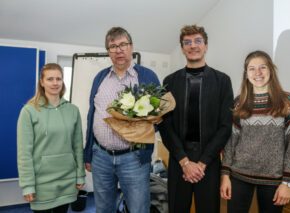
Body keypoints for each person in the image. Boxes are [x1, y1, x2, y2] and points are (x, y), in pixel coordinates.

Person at [84, 27, 160, 213]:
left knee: (138, 208)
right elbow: (92, 115)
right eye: (113, 46)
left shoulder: (147, 76)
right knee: (103, 208)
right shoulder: (100, 78)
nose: (118, 50)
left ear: (131, 47)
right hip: (101, 156)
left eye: (123, 44)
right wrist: (88, 153)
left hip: (134, 158)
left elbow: (158, 116)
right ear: (108, 51)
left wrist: (143, 129)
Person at [158, 25, 234, 213]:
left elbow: (225, 126)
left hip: (208, 161)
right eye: (187, 42)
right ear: (182, 48)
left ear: (206, 46)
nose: (193, 46)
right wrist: (184, 162)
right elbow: (165, 126)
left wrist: (201, 164)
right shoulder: (169, 81)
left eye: (198, 41)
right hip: (178, 159)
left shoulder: (222, 81)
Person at [220, 50, 290, 213]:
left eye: (263, 67)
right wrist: (225, 175)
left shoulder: (287, 101)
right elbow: (230, 142)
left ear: (271, 70)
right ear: (246, 73)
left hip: (273, 180)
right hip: (239, 176)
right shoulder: (239, 102)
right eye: (252, 68)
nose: (257, 73)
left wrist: (287, 183)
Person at [17, 63, 85, 213]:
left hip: (67, 181)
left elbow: (78, 146)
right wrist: (27, 185)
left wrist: (80, 175)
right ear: (42, 82)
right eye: (50, 79)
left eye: (58, 79)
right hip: (42, 184)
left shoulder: (73, 110)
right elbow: (24, 154)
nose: (55, 83)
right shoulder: (29, 111)